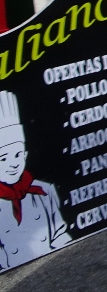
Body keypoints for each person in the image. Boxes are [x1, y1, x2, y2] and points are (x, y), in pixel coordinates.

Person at [0, 90, 70, 271]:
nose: (13, 163)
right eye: (3, 158)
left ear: (25, 155)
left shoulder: (44, 191)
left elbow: (60, 233)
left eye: (17, 155)